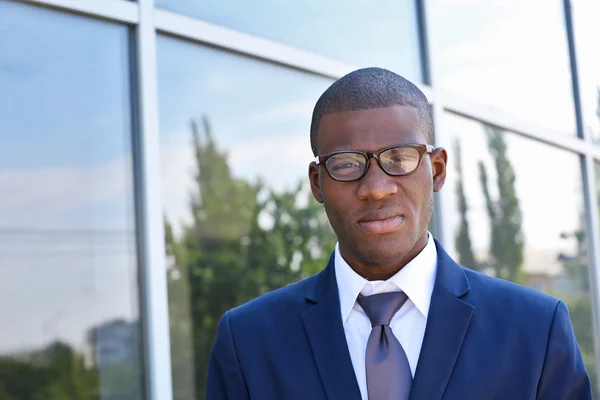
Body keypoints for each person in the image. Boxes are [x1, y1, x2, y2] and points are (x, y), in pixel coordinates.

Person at [206, 67, 591, 400]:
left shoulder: (535, 330)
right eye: (346, 164)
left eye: (400, 158)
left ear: (437, 170)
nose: (376, 187)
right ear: (317, 182)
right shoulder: (249, 341)